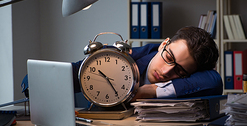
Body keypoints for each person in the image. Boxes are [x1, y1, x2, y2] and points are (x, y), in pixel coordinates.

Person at [71, 26, 223, 101]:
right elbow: (70, 74)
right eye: (169, 58)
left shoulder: (192, 75)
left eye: (179, 71)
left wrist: (152, 90)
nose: (166, 72)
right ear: (164, 44)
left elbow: (214, 82)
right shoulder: (122, 57)